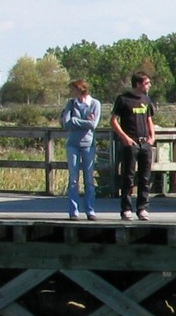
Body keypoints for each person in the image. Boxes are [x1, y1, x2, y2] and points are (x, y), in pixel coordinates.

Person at [110, 68, 157, 221]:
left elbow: (149, 119)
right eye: (146, 83)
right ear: (138, 84)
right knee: (128, 177)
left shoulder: (146, 100)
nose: (149, 86)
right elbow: (113, 120)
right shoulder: (123, 99)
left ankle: (143, 208)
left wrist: (152, 137)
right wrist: (124, 137)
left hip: (145, 144)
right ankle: (126, 209)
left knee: (145, 177)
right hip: (131, 143)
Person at [59, 78, 100, 219]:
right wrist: (84, 121)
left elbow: (93, 125)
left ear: (80, 89)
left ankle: (90, 209)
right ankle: (74, 211)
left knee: (89, 178)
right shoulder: (71, 104)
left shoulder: (95, 104)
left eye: (73, 89)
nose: (72, 92)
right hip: (73, 144)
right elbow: (67, 123)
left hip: (88, 144)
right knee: (73, 179)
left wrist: (76, 121)